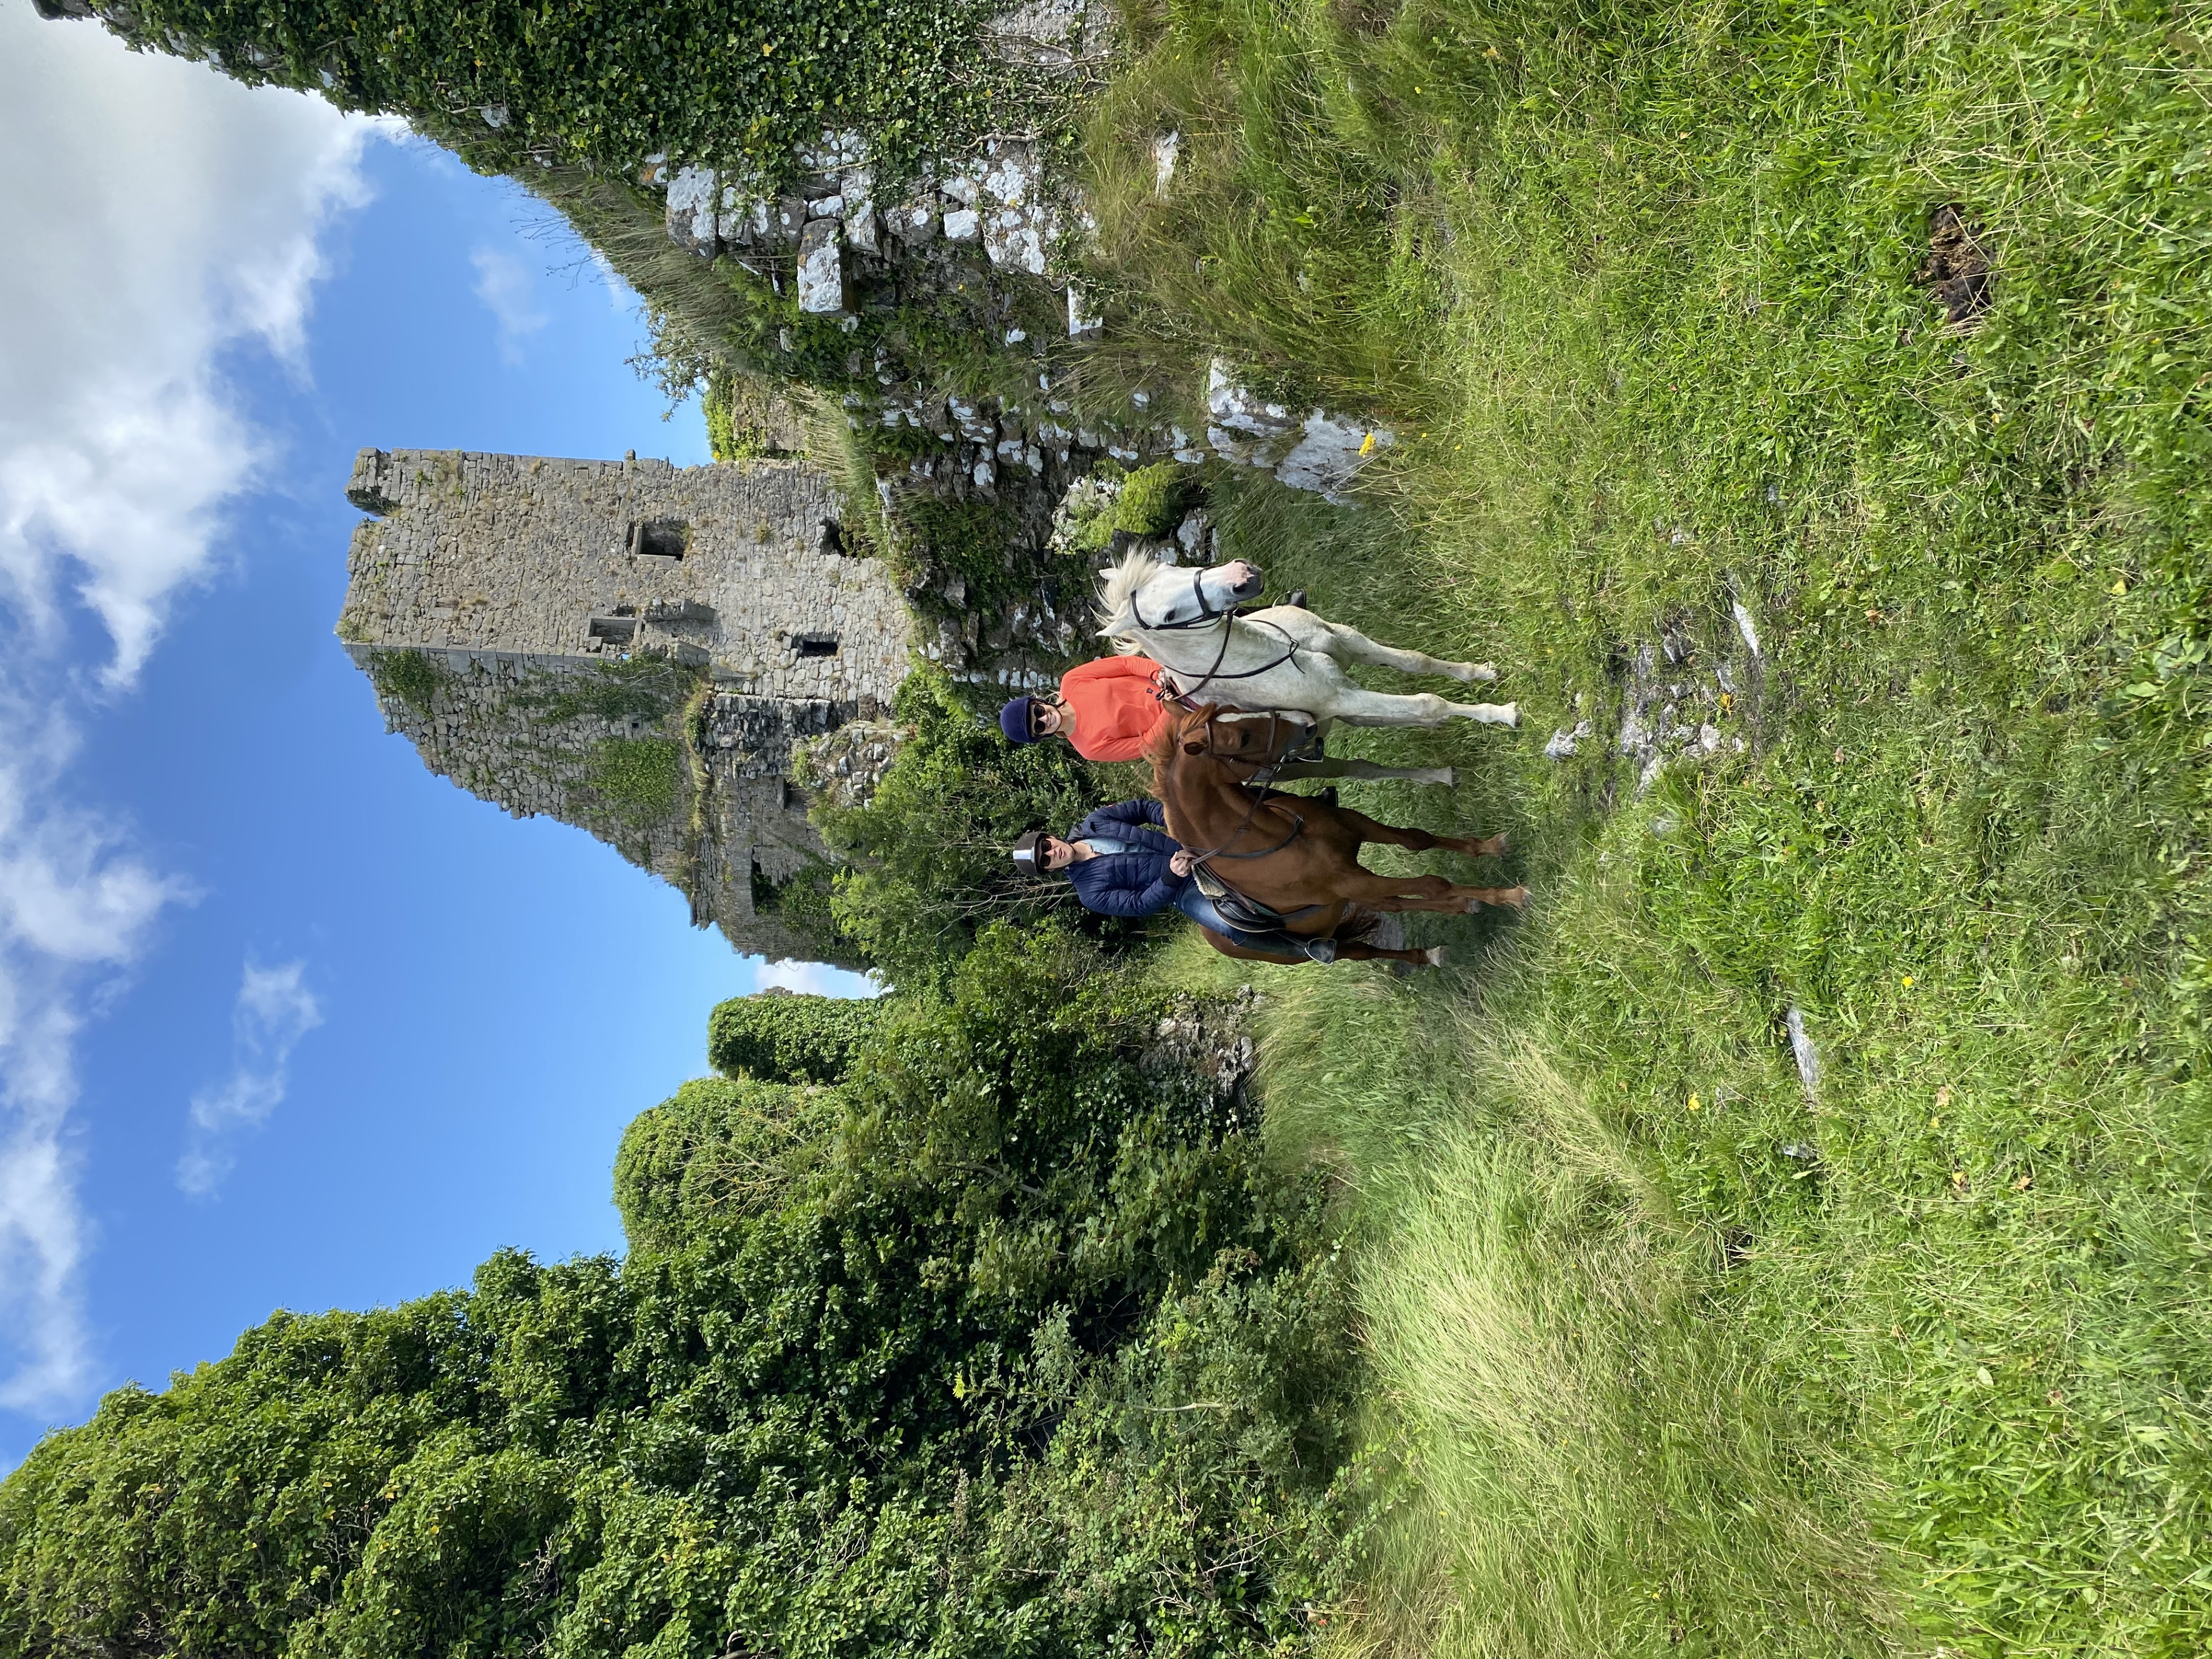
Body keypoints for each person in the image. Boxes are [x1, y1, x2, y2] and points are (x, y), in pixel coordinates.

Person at [1010, 800, 1336, 962]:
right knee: (1231, 927)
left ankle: (1313, 807)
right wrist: (1171, 876)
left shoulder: (1095, 822)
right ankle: (1304, 947)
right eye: (1045, 860)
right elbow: (1139, 905)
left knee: (1229, 810)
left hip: (1187, 844)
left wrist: (1170, 822)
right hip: (1182, 888)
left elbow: (1142, 808)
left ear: (1050, 836)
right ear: (1050, 871)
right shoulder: (1089, 894)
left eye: (1046, 846)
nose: (1052, 853)